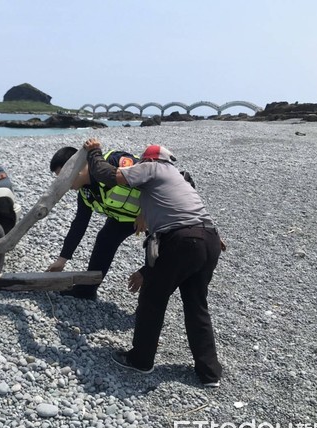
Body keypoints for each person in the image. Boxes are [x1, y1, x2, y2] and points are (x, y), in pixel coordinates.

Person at [84, 138, 224, 387]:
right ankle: (209, 372)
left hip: (182, 239)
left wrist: (94, 152)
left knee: (152, 300)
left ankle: (140, 359)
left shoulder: (152, 167)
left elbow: (107, 175)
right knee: (196, 306)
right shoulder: (180, 178)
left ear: (148, 159)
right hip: (210, 239)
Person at [46, 146, 143, 300]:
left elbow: (156, 176)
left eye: (63, 179)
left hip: (160, 212)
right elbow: (79, 224)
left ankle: (150, 303)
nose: (64, 185)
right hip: (125, 219)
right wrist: (62, 259)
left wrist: (147, 211)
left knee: (159, 255)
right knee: (105, 239)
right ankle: (87, 290)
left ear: (75, 169)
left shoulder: (113, 163)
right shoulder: (85, 192)